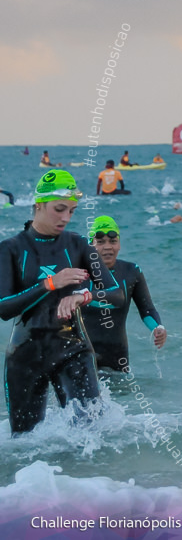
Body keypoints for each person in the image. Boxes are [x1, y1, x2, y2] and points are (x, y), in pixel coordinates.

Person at [0, 170, 124, 434]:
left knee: (91, 433)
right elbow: (4, 307)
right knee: (25, 444)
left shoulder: (78, 244)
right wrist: (50, 284)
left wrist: (83, 296)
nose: (66, 218)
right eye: (59, 209)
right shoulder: (10, 248)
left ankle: (93, 478)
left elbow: (116, 293)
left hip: (73, 349)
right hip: (25, 355)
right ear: (39, 205)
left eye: (72, 210)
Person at [82, 216, 167, 370]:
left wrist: (158, 328)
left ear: (119, 244)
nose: (108, 247)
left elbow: (147, 309)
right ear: (90, 245)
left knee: (121, 393)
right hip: (81, 355)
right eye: (100, 242)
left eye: (113, 241)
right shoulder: (78, 273)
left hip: (117, 356)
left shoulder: (131, 272)